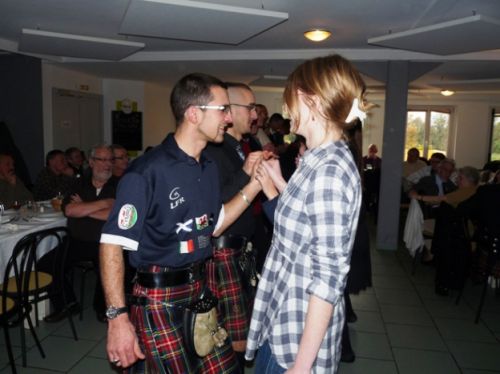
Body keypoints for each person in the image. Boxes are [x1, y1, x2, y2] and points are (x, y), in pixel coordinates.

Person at [99, 73, 265, 372]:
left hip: (201, 290)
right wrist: (118, 318)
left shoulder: (209, 166)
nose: (228, 118)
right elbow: (112, 244)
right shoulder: (147, 171)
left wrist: (254, 184)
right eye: (222, 110)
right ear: (193, 113)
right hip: (158, 298)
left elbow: (213, 225)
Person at [246, 54, 366, 373]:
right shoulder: (317, 157)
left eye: (290, 102)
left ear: (307, 98)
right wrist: (274, 181)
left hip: (297, 336)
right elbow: (302, 224)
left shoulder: (330, 170)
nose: (287, 112)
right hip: (283, 315)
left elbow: (327, 280)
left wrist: (301, 367)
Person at [205, 82, 263, 369]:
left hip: (240, 252)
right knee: (228, 340)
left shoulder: (238, 146)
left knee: (241, 335)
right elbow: (216, 203)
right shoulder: (214, 151)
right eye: (250, 107)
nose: (255, 115)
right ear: (229, 110)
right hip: (223, 252)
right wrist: (247, 174)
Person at [44, 144, 117, 323]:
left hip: (107, 241)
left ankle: (103, 308)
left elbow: (116, 214)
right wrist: (104, 203)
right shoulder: (78, 183)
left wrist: (84, 207)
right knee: (46, 265)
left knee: (108, 267)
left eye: (110, 160)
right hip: (77, 240)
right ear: (91, 162)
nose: (107, 164)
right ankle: (67, 304)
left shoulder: (119, 184)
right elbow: (69, 210)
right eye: (102, 159)